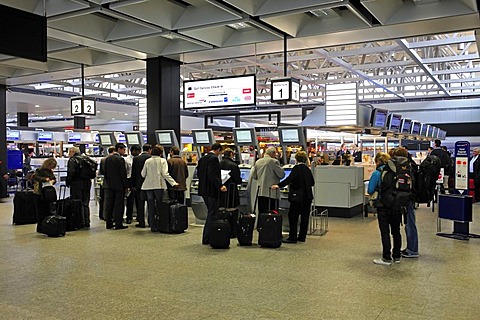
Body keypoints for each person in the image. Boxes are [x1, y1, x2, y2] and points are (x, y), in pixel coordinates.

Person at [272, 151, 314, 243]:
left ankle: (293, 237)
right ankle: (302, 237)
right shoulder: (307, 169)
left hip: (297, 197)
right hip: (307, 197)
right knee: (304, 217)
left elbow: (289, 179)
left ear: (296, 159)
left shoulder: (296, 168)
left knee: (293, 216)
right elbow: (312, 183)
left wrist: (278, 185)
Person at [368, 152, 402, 266]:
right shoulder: (397, 171)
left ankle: (386, 257)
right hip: (397, 205)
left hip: (383, 206)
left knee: (385, 232)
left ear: (378, 161)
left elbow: (370, 190)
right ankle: (397, 256)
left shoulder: (377, 173)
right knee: (396, 231)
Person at [141, 145, 178, 232]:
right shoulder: (162, 161)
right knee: (160, 206)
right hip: (159, 185)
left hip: (147, 186)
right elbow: (165, 174)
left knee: (151, 206)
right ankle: (160, 224)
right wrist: (173, 183)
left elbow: (143, 174)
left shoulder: (147, 161)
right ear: (161, 153)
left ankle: (152, 225)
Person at [197, 143, 227, 245]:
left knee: (211, 212)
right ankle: (207, 238)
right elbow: (212, 174)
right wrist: (220, 185)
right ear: (218, 150)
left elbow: (199, 173)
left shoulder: (202, 159)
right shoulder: (214, 159)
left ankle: (208, 237)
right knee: (212, 214)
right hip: (211, 190)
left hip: (203, 190)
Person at [392, 147, 419, 259]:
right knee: (409, 222)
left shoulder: (401, 166)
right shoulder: (411, 165)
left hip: (404, 197)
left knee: (410, 224)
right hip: (410, 197)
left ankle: (412, 250)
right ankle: (410, 248)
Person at [104, 143, 130, 230]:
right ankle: (118, 223)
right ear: (119, 149)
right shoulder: (120, 159)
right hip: (119, 186)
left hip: (110, 185)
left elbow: (106, 173)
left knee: (110, 204)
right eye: (123, 150)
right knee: (119, 204)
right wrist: (126, 186)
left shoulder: (108, 159)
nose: (124, 152)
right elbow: (123, 174)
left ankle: (109, 223)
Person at [252, 147, 285, 214]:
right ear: (272, 153)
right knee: (272, 214)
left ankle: (262, 224)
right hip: (271, 193)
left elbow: (254, 176)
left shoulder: (258, 161)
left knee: (262, 213)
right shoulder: (274, 162)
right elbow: (282, 175)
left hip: (260, 192)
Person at [66, 146, 92, 228]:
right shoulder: (86, 159)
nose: (69, 154)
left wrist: (68, 182)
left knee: (77, 202)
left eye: (69, 152)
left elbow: (71, 172)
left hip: (77, 183)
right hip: (87, 182)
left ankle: (79, 221)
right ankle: (86, 221)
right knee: (85, 202)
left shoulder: (73, 160)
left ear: (73, 152)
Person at [31, 157, 57, 233]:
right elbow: (34, 178)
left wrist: (53, 181)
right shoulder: (39, 171)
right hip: (39, 192)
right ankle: (40, 227)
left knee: (47, 209)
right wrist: (44, 179)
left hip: (47, 193)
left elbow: (54, 179)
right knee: (40, 211)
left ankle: (46, 226)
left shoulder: (50, 171)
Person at [131, 144, 152, 228]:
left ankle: (141, 222)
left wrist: (133, 185)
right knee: (151, 204)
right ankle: (151, 222)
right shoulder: (151, 158)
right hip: (150, 184)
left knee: (140, 204)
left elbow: (134, 173)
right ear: (150, 150)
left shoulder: (136, 159)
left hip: (139, 185)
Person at [125, 145, 141, 224]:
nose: (139, 153)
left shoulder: (138, 159)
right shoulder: (127, 160)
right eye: (138, 151)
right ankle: (129, 217)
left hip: (138, 180)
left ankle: (139, 216)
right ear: (133, 151)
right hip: (130, 180)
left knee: (138, 199)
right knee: (130, 200)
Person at [98, 146, 115, 221]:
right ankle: (111, 216)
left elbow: (101, 172)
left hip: (105, 182)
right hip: (114, 183)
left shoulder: (103, 159)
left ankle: (104, 215)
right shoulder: (114, 159)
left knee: (105, 199)